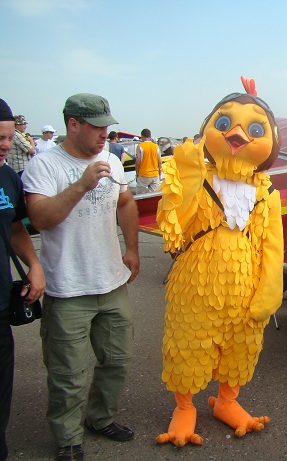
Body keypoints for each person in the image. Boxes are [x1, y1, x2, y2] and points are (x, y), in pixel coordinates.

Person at [21, 93, 140, 461]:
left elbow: (126, 203)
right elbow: (40, 219)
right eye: (97, 127)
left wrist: (132, 249)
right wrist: (81, 185)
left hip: (111, 281)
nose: (105, 133)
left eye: (107, 126)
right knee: (67, 373)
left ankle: (100, 418)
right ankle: (68, 438)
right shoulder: (45, 165)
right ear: (73, 124)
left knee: (117, 360)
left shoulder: (112, 160)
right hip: (68, 288)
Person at [0, 98, 45, 461]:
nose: (5, 145)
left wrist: (33, 264)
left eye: (7, 137)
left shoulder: (8, 177)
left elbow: (16, 227)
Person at [135, 128, 162, 195]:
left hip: (143, 174)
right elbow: (160, 162)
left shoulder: (140, 146)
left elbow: (138, 162)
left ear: (142, 136)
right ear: (150, 136)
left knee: (140, 196)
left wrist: (137, 173)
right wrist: (159, 174)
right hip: (155, 174)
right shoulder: (156, 146)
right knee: (154, 196)